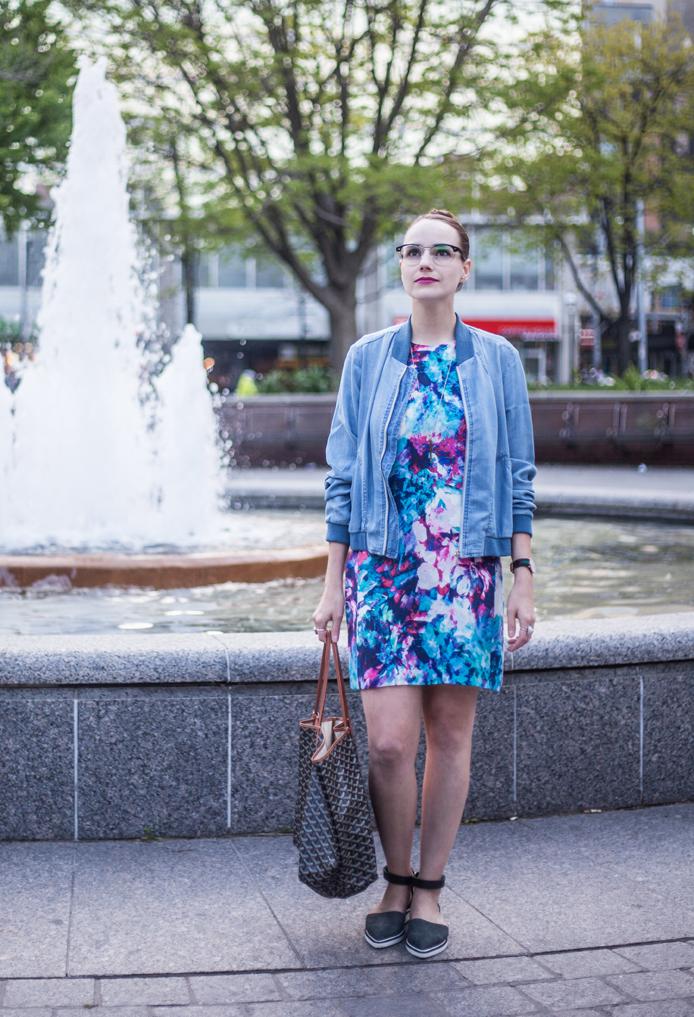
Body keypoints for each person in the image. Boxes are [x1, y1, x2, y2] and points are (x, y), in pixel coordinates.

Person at [312, 209, 536, 960]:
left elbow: (517, 478)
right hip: (383, 574)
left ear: (465, 268)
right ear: (401, 267)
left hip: (464, 576)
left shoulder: (498, 360)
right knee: (387, 744)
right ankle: (395, 875)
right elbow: (341, 479)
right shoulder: (368, 359)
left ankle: (429, 886)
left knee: (449, 735)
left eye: (443, 251)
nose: (426, 261)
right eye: (413, 251)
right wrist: (332, 584)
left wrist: (522, 575)